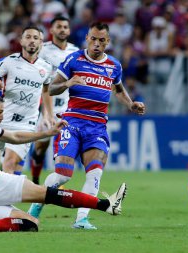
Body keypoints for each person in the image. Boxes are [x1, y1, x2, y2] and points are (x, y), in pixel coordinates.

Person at [0, 92, 127, 232]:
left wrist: (47, 133)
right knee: (46, 194)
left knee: (30, 223)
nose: (2, 116)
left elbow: (15, 136)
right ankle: (106, 205)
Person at [28, 22, 145, 230]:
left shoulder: (114, 65)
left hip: (97, 127)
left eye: (102, 40)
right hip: (72, 123)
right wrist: (67, 84)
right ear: (87, 39)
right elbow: (51, 88)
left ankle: (81, 220)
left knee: (95, 173)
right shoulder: (74, 59)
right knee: (63, 174)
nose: (97, 44)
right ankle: (35, 209)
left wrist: (131, 104)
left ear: (108, 42)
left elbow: (118, 89)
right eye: (93, 39)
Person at [0, 26, 55, 175]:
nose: (32, 41)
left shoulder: (46, 68)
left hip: (26, 124)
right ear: (21, 41)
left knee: (10, 163)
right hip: (0, 121)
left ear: (41, 42)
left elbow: (46, 91)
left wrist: (49, 114)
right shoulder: (10, 61)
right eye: (28, 37)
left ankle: (18, 188)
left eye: (36, 38)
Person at [30, 15, 79, 185]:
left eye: (65, 27)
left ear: (69, 30)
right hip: (45, 106)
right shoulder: (42, 50)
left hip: (68, 108)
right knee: (41, 147)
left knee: (62, 149)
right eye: (59, 26)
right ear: (51, 30)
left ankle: (54, 183)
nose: (62, 29)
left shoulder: (75, 52)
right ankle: (35, 180)